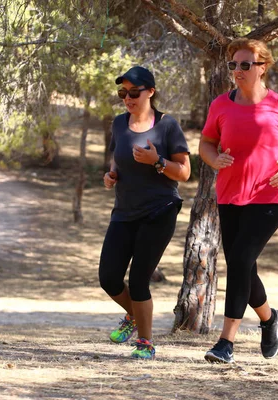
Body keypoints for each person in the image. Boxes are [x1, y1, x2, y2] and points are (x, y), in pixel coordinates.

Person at [200, 39, 278, 363]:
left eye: (245, 65)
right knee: (243, 266)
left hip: (270, 196)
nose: (237, 71)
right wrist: (214, 160)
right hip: (230, 195)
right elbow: (206, 143)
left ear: (263, 67)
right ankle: (269, 319)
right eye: (233, 65)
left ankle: (226, 343)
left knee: (238, 261)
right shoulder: (220, 105)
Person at [99, 66, 191, 360]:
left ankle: (146, 343)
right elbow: (118, 157)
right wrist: (111, 175)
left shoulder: (167, 126)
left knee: (139, 280)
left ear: (150, 92)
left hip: (159, 211)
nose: (127, 98)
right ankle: (135, 315)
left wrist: (157, 160)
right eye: (122, 93)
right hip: (124, 211)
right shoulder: (118, 123)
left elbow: (185, 173)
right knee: (109, 278)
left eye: (134, 93)